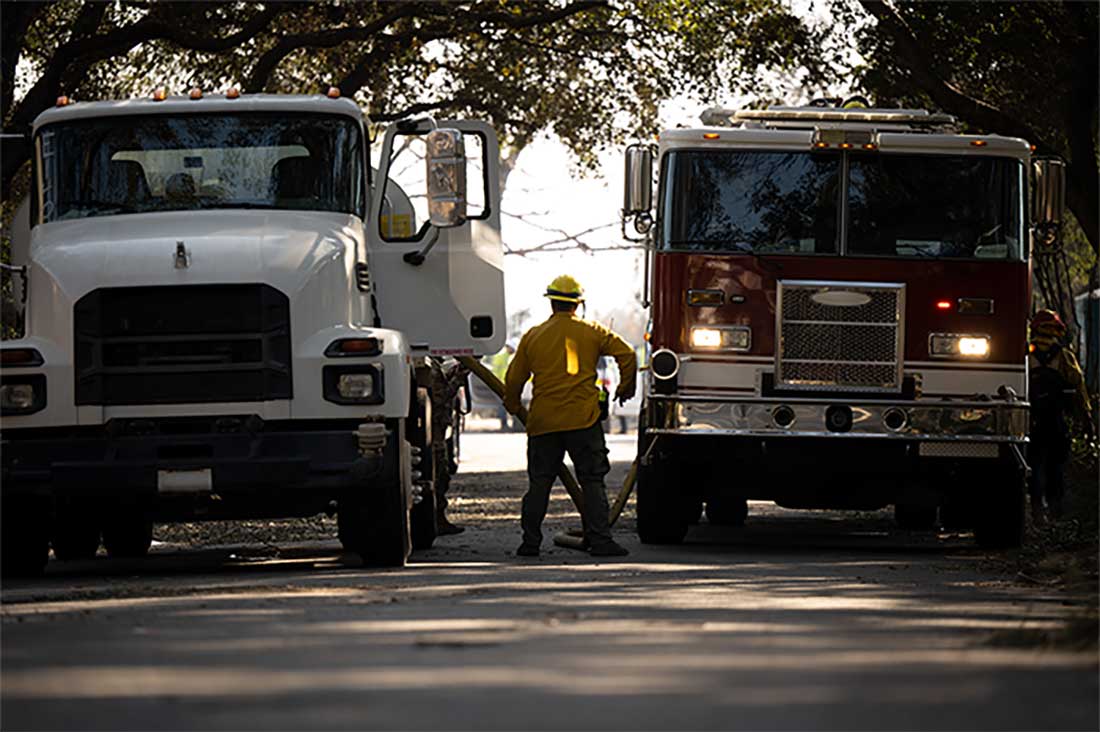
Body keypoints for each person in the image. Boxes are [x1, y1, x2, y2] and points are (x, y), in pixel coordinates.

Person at [504, 275, 637, 557]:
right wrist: (626, 388)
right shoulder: (593, 331)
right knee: (591, 481)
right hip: (583, 421)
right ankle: (600, 541)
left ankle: (529, 543)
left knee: (539, 483)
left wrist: (513, 406)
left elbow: (514, 378)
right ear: (578, 304)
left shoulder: (533, 335)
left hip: (543, 421)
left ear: (551, 303)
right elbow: (628, 355)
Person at [1027, 309, 1093, 520]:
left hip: (1031, 421)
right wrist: (1087, 420)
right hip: (1056, 421)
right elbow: (1079, 388)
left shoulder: (1024, 355)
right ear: (1058, 331)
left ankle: (1037, 509)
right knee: (1055, 466)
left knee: (1034, 464)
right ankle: (1055, 512)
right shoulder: (1065, 356)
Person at [429, 357, 469, 535]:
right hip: (434, 432)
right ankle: (437, 519)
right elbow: (439, 397)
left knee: (441, 475)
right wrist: (457, 380)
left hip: (437, 429)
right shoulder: (431, 368)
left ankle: (438, 518)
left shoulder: (434, 366)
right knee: (439, 476)